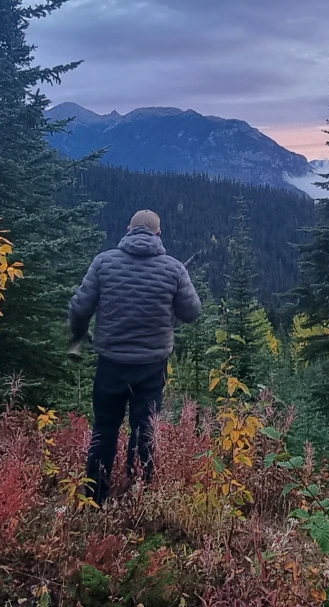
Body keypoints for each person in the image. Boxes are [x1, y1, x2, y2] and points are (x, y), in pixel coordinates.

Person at [67, 209, 201, 504]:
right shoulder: (174, 269)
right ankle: (138, 497)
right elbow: (192, 312)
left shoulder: (103, 263)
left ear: (128, 230)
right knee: (145, 430)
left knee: (104, 428)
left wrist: (78, 333)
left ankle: (95, 498)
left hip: (111, 363)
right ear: (158, 234)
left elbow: (80, 307)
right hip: (152, 366)